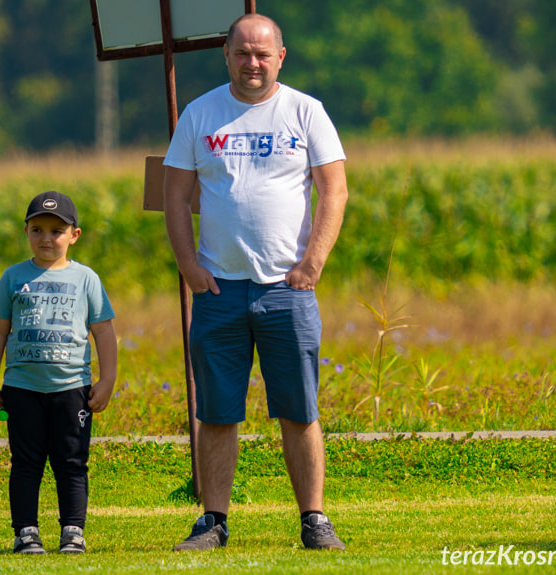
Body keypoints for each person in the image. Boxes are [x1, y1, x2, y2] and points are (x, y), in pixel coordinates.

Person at [163, 13, 349, 551]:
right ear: (226, 55)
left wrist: (312, 264)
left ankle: (314, 520)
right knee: (217, 412)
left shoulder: (305, 112)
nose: (253, 63)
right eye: (243, 53)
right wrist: (189, 268)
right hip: (219, 289)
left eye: (263, 54)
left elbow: (334, 191)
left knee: (299, 409)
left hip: (287, 291)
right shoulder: (200, 114)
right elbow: (175, 197)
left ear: (280, 57)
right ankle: (212, 522)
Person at [0, 190, 118, 555]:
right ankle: (26, 532)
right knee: (26, 462)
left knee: (71, 461)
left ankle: (73, 531)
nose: (46, 238)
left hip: (72, 388)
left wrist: (107, 380)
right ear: (25, 231)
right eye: (37, 229)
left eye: (56, 231)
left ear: (74, 235)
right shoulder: (13, 277)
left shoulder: (86, 279)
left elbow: (103, 331)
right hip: (22, 388)